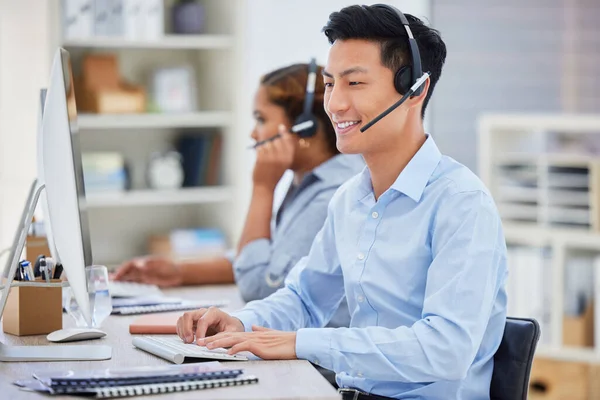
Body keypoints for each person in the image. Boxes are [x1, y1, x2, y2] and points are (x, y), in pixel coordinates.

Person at [175, 4, 508, 400]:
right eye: (331, 84)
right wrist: (240, 323)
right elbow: (304, 297)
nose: (334, 104)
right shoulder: (350, 198)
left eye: (355, 84)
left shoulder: (461, 204)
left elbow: (446, 350)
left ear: (415, 89)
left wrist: (302, 343)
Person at [113, 61, 364, 328]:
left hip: (315, 364)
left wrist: (262, 188)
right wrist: (176, 272)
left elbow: (258, 285)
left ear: (305, 127)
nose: (253, 133)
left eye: (261, 119)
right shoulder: (305, 182)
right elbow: (262, 259)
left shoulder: (333, 194)